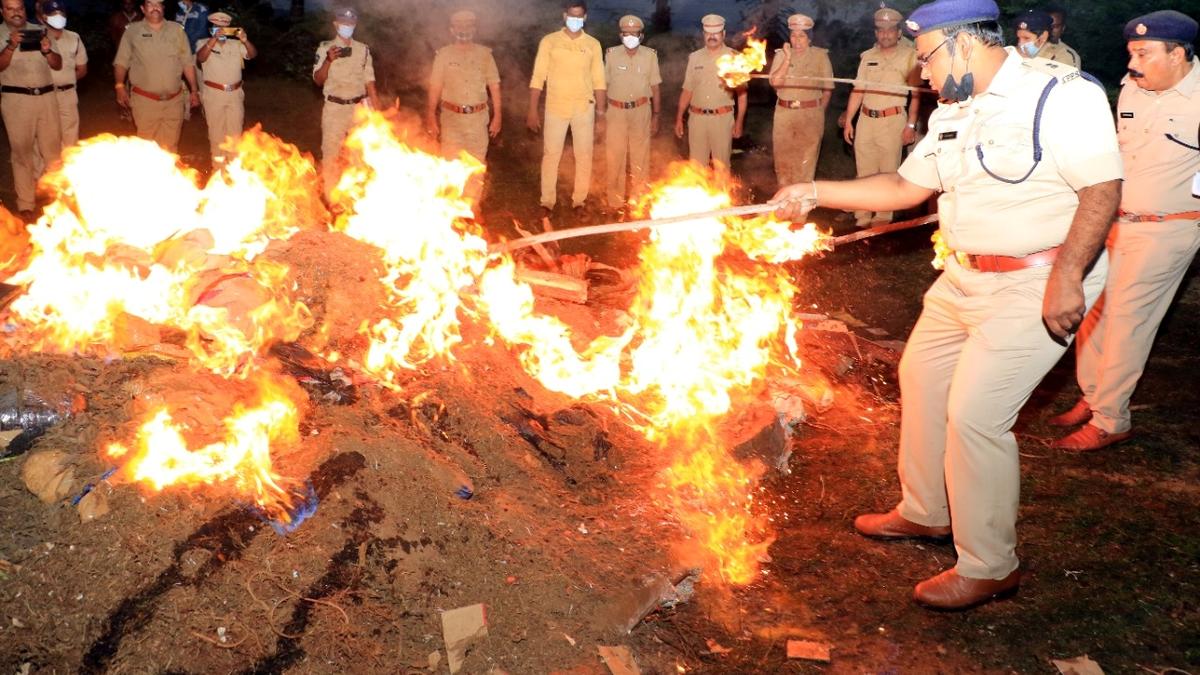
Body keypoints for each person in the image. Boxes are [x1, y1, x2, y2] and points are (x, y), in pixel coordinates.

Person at [772, 0, 1122, 610]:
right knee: (922, 377)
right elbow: (907, 188)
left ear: (962, 44)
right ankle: (926, 510)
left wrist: (1068, 275)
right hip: (961, 279)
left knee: (976, 415)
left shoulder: (1060, 93)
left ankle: (990, 564)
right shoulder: (955, 111)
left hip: (1034, 281)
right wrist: (814, 189)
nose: (922, 74)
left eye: (927, 58)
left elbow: (1102, 187)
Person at [1050, 11, 1199, 452]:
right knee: (1094, 308)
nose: (1132, 64)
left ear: (1178, 54)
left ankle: (1112, 419)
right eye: (1131, 52)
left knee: (1128, 320)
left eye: (1144, 53)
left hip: (1166, 229)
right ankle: (1094, 397)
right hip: (1113, 221)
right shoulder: (1132, 87)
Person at [840, 6, 919, 228]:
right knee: (864, 171)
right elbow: (858, 90)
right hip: (866, 120)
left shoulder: (910, 56)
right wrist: (849, 120)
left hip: (892, 121)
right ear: (876, 33)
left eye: (890, 30)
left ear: (898, 33)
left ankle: (883, 217)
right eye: (880, 30)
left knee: (888, 172)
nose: (885, 34)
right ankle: (862, 214)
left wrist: (910, 125)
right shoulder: (867, 57)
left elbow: (916, 95)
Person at [528, 0, 606, 216]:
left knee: (584, 155)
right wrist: (532, 110)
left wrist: (601, 114)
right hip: (555, 106)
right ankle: (547, 202)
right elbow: (538, 76)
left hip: (584, 107)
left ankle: (579, 201)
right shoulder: (550, 41)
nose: (575, 20)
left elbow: (599, 80)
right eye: (571, 16)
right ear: (564, 16)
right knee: (551, 154)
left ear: (585, 18)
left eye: (579, 16)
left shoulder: (592, 44)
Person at [426, 9, 501, 205]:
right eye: (459, 26)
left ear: (474, 29)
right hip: (451, 119)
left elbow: (494, 85)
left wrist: (498, 116)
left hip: (478, 119)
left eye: (468, 25)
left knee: (475, 166)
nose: (464, 29)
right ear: (452, 30)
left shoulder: (485, 55)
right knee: (450, 165)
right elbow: (435, 86)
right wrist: (430, 116)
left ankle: (471, 210)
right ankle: (448, 210)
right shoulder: (443, 55)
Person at [0, 0, 62, 221]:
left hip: (46, 97)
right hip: (16, 100)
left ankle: (57, 200)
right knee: (22, 154)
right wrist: (10, 46)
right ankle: (26, 204)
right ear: (2, 11)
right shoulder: (0, 34)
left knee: (53, 152)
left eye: (19, 8)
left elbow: (57, 63)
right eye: (10, 8)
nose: (16, 13)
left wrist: (47, 51)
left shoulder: (39, 31)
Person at [113, 0, 200, 152]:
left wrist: (194, 90)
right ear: (143, 8)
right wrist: (119, 85)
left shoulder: (177, 30)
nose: (155, 7)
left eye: (158, 4)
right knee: (147, 149)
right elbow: (121, 62)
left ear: (163, 8)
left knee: (170, 148)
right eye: (150, 4)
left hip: (174, 102)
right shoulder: (133, 31)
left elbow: (187, 63)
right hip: (145, 102)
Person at [313, 7, 379, 198]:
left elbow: (370, 81)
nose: (347, 27)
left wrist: (376, 111)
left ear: (355, 25)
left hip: (358, 108)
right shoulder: (325, 48)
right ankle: (331, 199)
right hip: (334, 108)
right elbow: (318, 80)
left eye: (350, 24)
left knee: (360, 154)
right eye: (343, 23)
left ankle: (358, 200)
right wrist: (328, 61)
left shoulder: (363, 50)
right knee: (331, 154)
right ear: (336, 25)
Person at [674, 14, 747, 174]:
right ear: (703, 34)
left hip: (722, 119)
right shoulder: (694, 58)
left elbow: (741, 95)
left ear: (723, 34)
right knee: (696, 168)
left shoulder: (735, 58)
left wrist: (739, 121)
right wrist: (679, 117)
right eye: (708, 33)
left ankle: (723, 198)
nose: (712, 36)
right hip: (697, 119)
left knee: (722, 167)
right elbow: (687, 90)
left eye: (716, 32)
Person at [603, 14, 660, 213]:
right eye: (626, 33)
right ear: (620, 35)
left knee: (640, 157)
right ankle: (615, 202)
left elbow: (655, 86)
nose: (630, 37)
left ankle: (639, 201)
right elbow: (603, 85)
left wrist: (656, 115)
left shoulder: (650, 55)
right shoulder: (610, 54)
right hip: (616, 111)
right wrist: (601, 112)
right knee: (615, 156)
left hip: (641, 110)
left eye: (634, 34)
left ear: (641, 36)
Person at [769, 13, 832, 186]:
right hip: (784, 114)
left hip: (811, 114)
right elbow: (775, 82)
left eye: (802, 36)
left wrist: (818, 112)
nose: (797, 40)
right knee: (782, 162)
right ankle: (785, 203)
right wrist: (787, 59)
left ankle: (801, 210)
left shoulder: (820, 56)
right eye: (793, 35)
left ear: (809, 38)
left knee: (806, 162)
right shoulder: (782, 55)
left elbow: (827, 90)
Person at [195, 11, 255, 164]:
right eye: (216, 27)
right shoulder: (203, 43)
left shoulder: (236, 44)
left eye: (224, 27)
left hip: (235, 94)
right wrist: (213, 40)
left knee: (235, 135)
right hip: (214, 94)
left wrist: (245, 40)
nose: (220, 30)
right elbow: (201, 58)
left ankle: (233, 171)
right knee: (216, 136)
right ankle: (218, 171)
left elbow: (252, 55)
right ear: (211, 28)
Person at [39, 0, 86, 148]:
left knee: (70, 137)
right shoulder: (36, 37)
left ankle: (69, 169)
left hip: (68, 95)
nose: (58, 16)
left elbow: (82, 69)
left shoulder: (74, 38)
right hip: (43, 96)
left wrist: (67, 81)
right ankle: (48, 170)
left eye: (61, 13)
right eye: (53, 14)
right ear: (44, 17)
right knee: (46, 137)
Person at [1013, 9, 1078, 67]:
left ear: (1043, 37)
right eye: (1019, 38)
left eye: (1026, 38)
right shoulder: (1013, 52)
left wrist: (1027, 62)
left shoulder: (1064, 55)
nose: (1020, 43)